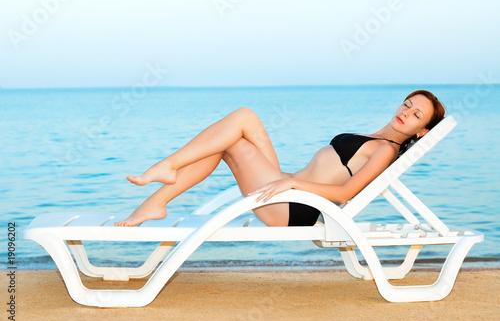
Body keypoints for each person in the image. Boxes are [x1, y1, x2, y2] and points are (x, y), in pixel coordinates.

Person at [114, 90, 445, 227]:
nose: (406, 113)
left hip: (292, 207)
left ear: (422, 131)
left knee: (239, 127)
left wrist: (293, 182)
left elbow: (346, 194)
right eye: (407, 105)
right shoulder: (375, 136)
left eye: (416, 115)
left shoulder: (386, 148)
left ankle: (165, 173)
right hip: (285, 188)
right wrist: (289, 178)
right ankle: (157, 198)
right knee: (240, 126)